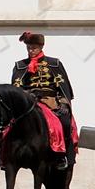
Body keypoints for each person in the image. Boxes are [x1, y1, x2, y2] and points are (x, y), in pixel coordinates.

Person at [11, 31, 75, 171]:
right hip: (29, 104)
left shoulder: (54, 64)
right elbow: (15, 90)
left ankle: (62, 156)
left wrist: (64, 103)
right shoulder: (20, 66)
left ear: (41, 47)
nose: (31, 50)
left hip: (50, 101)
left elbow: (63, 87)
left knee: (64, 122)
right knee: (7, 126)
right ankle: (6, 158)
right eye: (28, 47)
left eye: (34, 47)